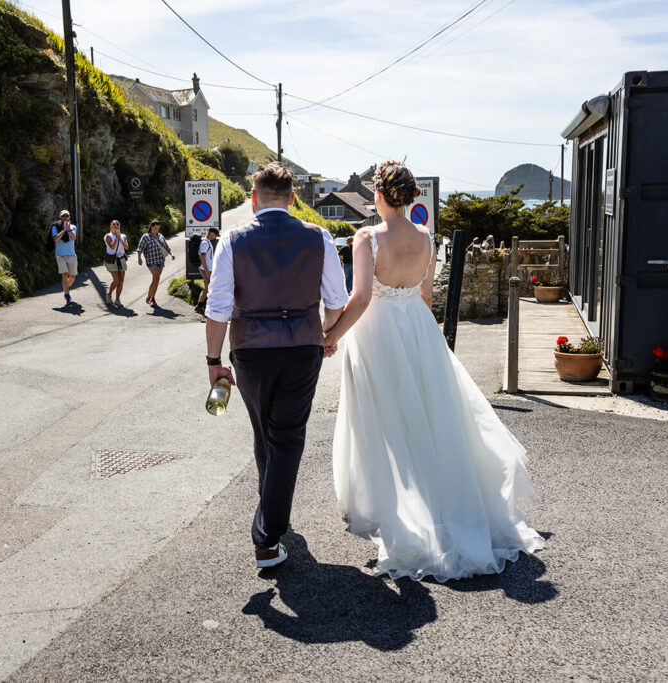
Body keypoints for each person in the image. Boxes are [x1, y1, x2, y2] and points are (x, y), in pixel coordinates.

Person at [322, 161, 545, 582]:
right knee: (428, 416)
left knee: (384, 421)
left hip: (378, 333)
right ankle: (441, 501)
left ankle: (398, 509)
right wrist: (417, 337)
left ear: (381, 194)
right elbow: (425, 299)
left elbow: (363, 297)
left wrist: (330, 335)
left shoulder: (366, 237)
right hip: (419, 331)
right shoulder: (427, 237)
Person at [205, 163, 348, 569]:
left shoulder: (233, 241)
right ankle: (269, 533)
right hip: (303, 348)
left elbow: (217, 309)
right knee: (284, 437)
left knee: (265, 433)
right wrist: (325, 334)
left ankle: (268, 526)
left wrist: (213, 362)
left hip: (250, 350)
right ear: (292, 199)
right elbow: (337, 301)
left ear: (253, 199)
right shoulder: (319, 237)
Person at [136, 218, 175, 307]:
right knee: (156, 278)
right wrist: (139, 258)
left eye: (158, 228)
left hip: (160, 260)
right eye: (155, 228)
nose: (157, 230)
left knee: (155, 279)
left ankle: (149, 296)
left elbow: (166, 246)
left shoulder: (160, 236)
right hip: (151, 261)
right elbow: (140, 248)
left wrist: (171, 254)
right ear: (151, 227)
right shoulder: (146, 237)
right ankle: (152, 299)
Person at [52, 209, 78, 305]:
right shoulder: (55, 226)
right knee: (64, 274)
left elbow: (74, 238)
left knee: (72, 276)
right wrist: (63, 230)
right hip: (60, 254)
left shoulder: (73, 227)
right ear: (60, 217)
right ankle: (67, 295)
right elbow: (56, 239)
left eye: (67, 216)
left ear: (69, 217)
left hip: (71, 254)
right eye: (63, 216)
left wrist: (69, 229)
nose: (65, 218)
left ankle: (65, 287)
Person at [194, 226, 219, 315]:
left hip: (206, 269)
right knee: (210, 289)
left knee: (207, 289)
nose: (215, 237)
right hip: (206, 269)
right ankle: (210, 309)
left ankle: (199, 306)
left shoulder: (207, 242)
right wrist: (207, 271)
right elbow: (202, 258)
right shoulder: (205, 243)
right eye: (215, 235)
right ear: (211, 233)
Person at [104, 219, 128, 307]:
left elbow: (126, 247)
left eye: (117, 224)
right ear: (111, 226)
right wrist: (116, 238)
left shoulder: (123, 236)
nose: (116, 226)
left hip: (121, 259)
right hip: (111, 260)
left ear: (119, 227)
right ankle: (109, 294)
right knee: (116, 280)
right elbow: (112, 247)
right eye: (114, 224)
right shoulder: (108, 236)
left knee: (121, 281)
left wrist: (120, 238)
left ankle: (117, 299)